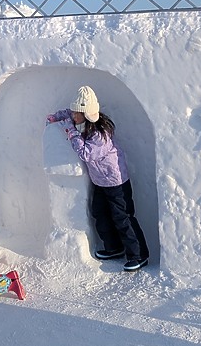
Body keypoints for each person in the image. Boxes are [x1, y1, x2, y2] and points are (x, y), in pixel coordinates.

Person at [46, 85, 149, 272]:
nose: (72, 116)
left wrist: (71, 131)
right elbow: (67, 113)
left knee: (123, 217)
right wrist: (56, 117)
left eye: (77, 114)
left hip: (115, 182)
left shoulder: (100, 134)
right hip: (100, 181)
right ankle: (113, 247)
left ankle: (138, 255)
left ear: (86, 114)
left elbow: (85, 154)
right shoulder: (78, 117)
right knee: (99, 213)